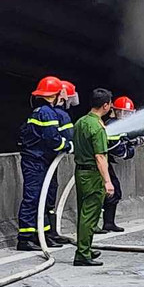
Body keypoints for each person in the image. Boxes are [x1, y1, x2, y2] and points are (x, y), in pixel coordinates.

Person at [16, 75, 68, 252]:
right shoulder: (46, 112)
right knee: (32, 198)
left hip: (42, 161)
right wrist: (67, 145)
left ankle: (42, 235)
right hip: (35, 162)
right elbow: (52, 139)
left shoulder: (42, 111)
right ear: (55, 94)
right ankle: (25, 238)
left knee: (43, 199)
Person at [71, 88, 116, 268]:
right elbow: (100, 157)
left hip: (80, 172)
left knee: (84, 213)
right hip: (92, 175)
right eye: (110, 104)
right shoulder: (97, 127)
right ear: (105, 105)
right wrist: (107, 181)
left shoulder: (81, 122)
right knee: (90, 216)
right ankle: (82, 254)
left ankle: (86, 248)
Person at [45, 80, 79, 243]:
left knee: (49, 194)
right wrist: (71, 145)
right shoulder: (61, 115)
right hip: (46, 160)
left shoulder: (49, 112)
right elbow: (69, 136)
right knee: (48, 195)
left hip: (46, 159)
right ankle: (48, 234)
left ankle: (49, 233)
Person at [98, 96, 137, 234]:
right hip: (101, 162)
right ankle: (103, 223)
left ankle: (109, 223)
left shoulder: (116, 124)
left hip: (104, 161)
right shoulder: (113, 125)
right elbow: (117, 150)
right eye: (123, 113)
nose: (125, 116)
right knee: (108, 192)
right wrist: (130, 150)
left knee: (114, 191)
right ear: (114, 110)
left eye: (128, 113)